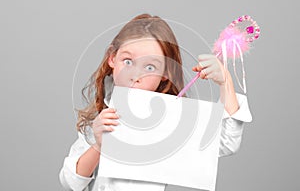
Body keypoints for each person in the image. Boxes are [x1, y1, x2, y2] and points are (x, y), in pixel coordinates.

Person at [59, 13, 252, 191]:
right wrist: (99, 145)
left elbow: (227, 143)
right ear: (112, 58)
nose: (135, 75)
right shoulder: (101, 120)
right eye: (127, 61)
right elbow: (70, 183)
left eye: (150, 66)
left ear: (166, 73)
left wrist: (225, 81)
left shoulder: (173, 120)